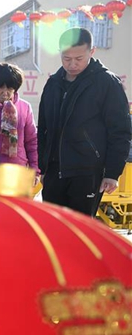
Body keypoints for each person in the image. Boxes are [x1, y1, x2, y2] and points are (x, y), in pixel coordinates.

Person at [38, 27, 131, 216]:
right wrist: (42, 165)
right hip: (54, 171)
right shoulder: (53, 83)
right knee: (53, 229)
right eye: (66, 58)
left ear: (92, 51)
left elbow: (120, 131)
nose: (72, 64)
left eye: (79, 59)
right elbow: (43, 128)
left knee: (80, 233)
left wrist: (112, 173)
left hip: (87, 171)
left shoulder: (107, 83)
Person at [0, 63, 39, 184]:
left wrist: (34, 169)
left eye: (10, 88)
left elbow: (32, 141)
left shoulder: (25, 107)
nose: (5, 92)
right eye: (1, 88)